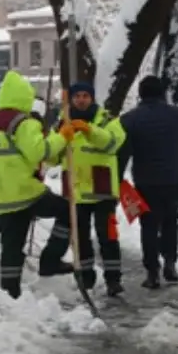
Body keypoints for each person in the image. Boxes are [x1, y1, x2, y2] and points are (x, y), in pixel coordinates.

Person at [0, 71, 76, 300]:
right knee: (67, 211)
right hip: (23, 191)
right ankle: (50, 261)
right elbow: (40, 151)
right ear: (25, 97)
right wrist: (62, 136)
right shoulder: (23, 122)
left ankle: (10, 293)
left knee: (12, 244)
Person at [118, 75, 178, 289]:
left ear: (141, 94)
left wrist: (117, 178)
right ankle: (170, 262)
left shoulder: (130, 119)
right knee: (171, 219)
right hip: (173, 177)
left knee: (149, 224)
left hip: (146, 180)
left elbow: (122, 149)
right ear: (163, 93)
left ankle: (152, 271)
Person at [54, 81, 127, 297]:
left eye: (86, 95)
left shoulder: (107, 121)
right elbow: (52, 155)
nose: (81, 99)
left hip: (101, 188)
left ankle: (113, 279)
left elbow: (113, 144)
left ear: (92, 98)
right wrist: (58, 139)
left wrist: (89, 130)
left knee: (108, 236)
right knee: (81, 237)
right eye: (77, 96)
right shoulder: (62, 122)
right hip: (75, 190)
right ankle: (86, 276)